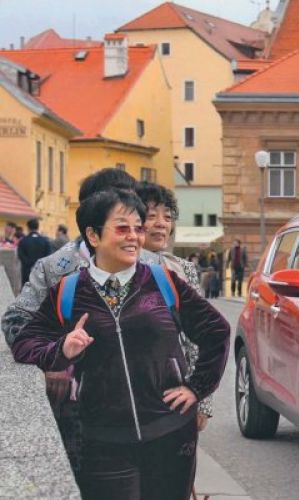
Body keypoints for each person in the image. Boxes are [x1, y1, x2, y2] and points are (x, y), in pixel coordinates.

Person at [11, 189, 230, 500]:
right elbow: (24, 343)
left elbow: (217, 331)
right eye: (122, 228)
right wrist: (61, 350)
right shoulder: (68, 291)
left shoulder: (164, 282)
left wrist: (197, 388)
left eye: (138, 228)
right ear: (93, 235)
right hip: (101, 441)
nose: (134, 237)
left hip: (171, 435)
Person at [1, 167, 156, 472]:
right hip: (78, 406)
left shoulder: (153, 265)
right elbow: (15, 321)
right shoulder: (55, 268)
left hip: (144, 403)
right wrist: (54, 356)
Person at [134, 181, 213, 430]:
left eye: (167, 217)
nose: (161, 224)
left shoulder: (183, 270)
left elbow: (199, 338)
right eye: (151, 216)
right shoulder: (110, 269)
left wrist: (201, 400)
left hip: (174, 392)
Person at [16, 218, 52, 285]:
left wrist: (29, 264)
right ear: (38, 227)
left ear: (28, 228)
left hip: (27, 272)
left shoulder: (23, 241)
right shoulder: (45, 241)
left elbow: (20, 255)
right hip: (41, 272)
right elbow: (49, 256)